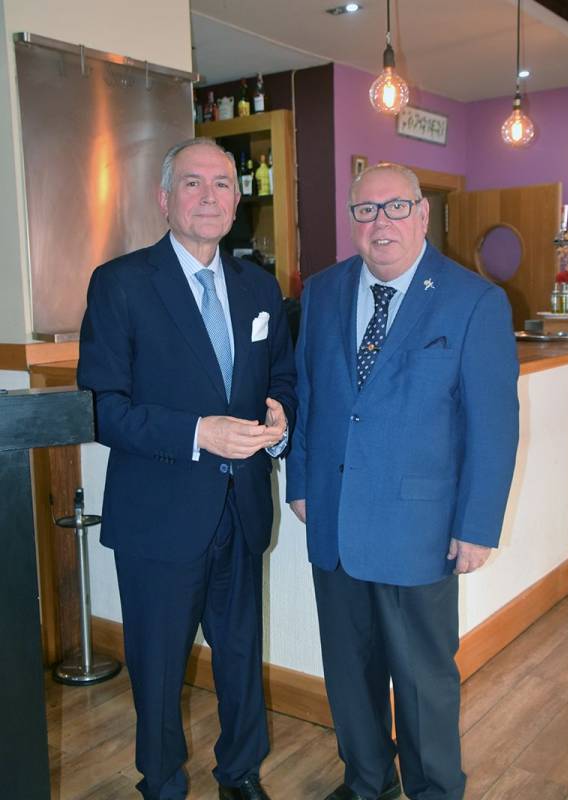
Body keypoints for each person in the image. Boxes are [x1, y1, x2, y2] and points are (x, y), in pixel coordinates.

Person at [286, 163, 519, 800]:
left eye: (395, 207)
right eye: (365, 210)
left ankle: (434, 790)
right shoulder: (323, 292)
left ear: (421, 214)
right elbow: (309, 394)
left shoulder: (472, 301)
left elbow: (493, 426)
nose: (380, 222)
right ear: (352, 220)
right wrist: (300, 481)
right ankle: (367, 782)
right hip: (334, 518)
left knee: (422, 682)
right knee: (348, 671)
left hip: (420, 528)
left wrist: (476, 526)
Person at [78, 137, 296, 800]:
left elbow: (282, 376)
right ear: (164, 199)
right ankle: (163, 782)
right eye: (193, 183)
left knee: (240, 659)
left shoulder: (259, 287)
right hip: (159, 516)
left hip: (242, 509)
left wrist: (281, 416)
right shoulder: (120, 284)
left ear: (237, 200)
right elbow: (101, 409)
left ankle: (241, 772)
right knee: (158, 666)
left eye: (223, 184)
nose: (209, 196)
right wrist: (199, 433)